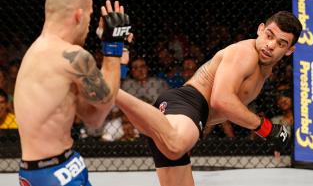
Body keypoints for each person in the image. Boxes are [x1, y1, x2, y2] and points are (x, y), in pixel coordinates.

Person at [116, 11, 302, 186]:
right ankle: (114, 92)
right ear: (260, 29)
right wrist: (268, 130)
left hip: (194, 115)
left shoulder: (266, 68)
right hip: (188, 102)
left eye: (281, 43)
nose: (271, 45)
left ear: (289, 51)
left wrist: (273, 135)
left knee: (176, 150)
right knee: (176, 144)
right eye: (269, 35)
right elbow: (221, 100)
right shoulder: (244, 53)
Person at [14, 0, 131, 186]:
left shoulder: (38, 52)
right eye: (90, 16)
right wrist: (113, 45)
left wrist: (117, 56)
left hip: (63, 164)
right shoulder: (72, 57)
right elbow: (105, 101)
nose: (89, 25)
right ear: (78, 15)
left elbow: (95, 117)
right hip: (51, 174)